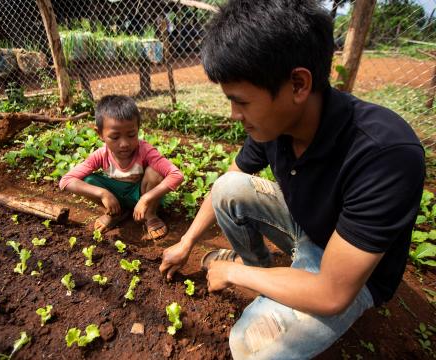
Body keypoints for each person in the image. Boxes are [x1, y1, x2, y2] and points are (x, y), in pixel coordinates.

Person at [159, 0, 425, 359]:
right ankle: (266, 276)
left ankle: (259, 279)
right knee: (227, 188)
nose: (234, 115)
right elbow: (233, 177)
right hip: (308, 226)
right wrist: (187, 241)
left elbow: (332, 293)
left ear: (298, 84)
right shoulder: (273, 126)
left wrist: (232, 274)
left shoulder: (385, 154)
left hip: (348, 274)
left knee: (249, 346)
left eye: (241, 102)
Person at [60, 95, 183, 239]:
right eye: (115, 137)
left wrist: (146, 199)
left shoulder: (145, 151)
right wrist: (103, 194)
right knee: (88, 180)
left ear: (138, 129)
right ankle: (115, 213)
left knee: (155, 172)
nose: (124, 143)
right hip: (116, 195)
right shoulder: (100, 155)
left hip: (142, 193)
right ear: (99, 134)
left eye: (131, 135)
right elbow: (66, 181)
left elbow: (176, 175)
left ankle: (150, 215)